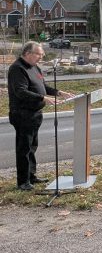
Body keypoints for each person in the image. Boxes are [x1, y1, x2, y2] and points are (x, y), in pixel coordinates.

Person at [8, 41, 73, 191]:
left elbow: (42, 87)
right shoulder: (17, 69)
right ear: (27, 53)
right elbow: (21, 91)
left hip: (35, 114)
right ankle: (22, 182)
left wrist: (58, 92)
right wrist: (42, 98)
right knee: (24, 148)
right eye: (38, 54)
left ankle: (31, 176)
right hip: (22, 114)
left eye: (42, 54)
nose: (41, 56)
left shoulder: (35, 67)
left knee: (32, 146)